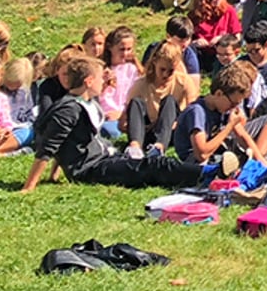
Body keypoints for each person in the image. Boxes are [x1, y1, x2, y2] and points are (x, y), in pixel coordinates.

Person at [19, 54, 205, 191]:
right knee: (155, 166)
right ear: (89, 81)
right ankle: (206, 174)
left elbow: (65, 143)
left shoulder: (85, 102)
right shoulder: (69, 109)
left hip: (105, 158)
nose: (105, 81)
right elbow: (48, 147)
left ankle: (204, 173)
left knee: (151, 165)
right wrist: (29, 187)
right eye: (101, 78)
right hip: (91, 169)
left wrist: (54, 175)